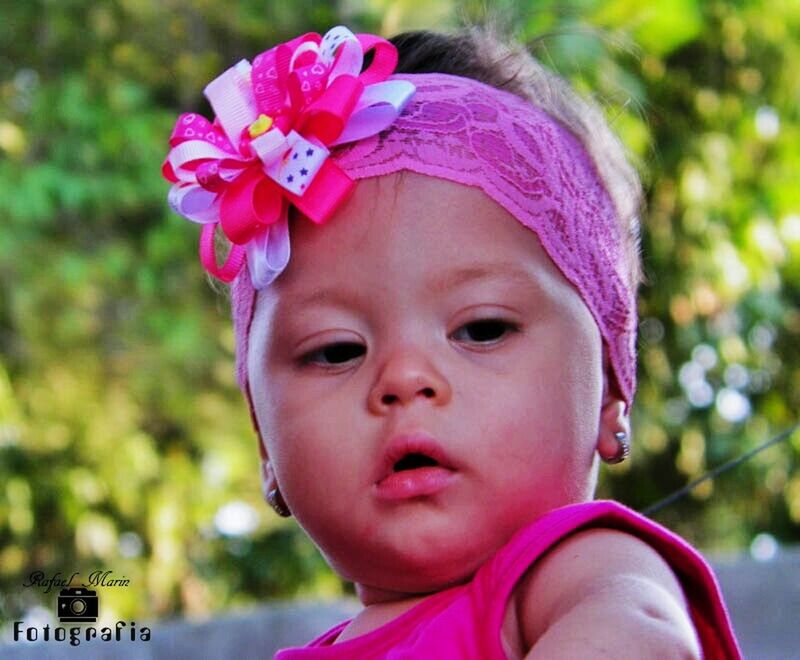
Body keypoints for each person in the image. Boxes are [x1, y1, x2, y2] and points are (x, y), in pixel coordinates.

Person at [162, 22, 742, 659]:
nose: (404, 377)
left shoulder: (578, 577)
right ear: (264, 443)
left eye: (482, 329)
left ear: (608, 384)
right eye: (335, 350)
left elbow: (640, 639)